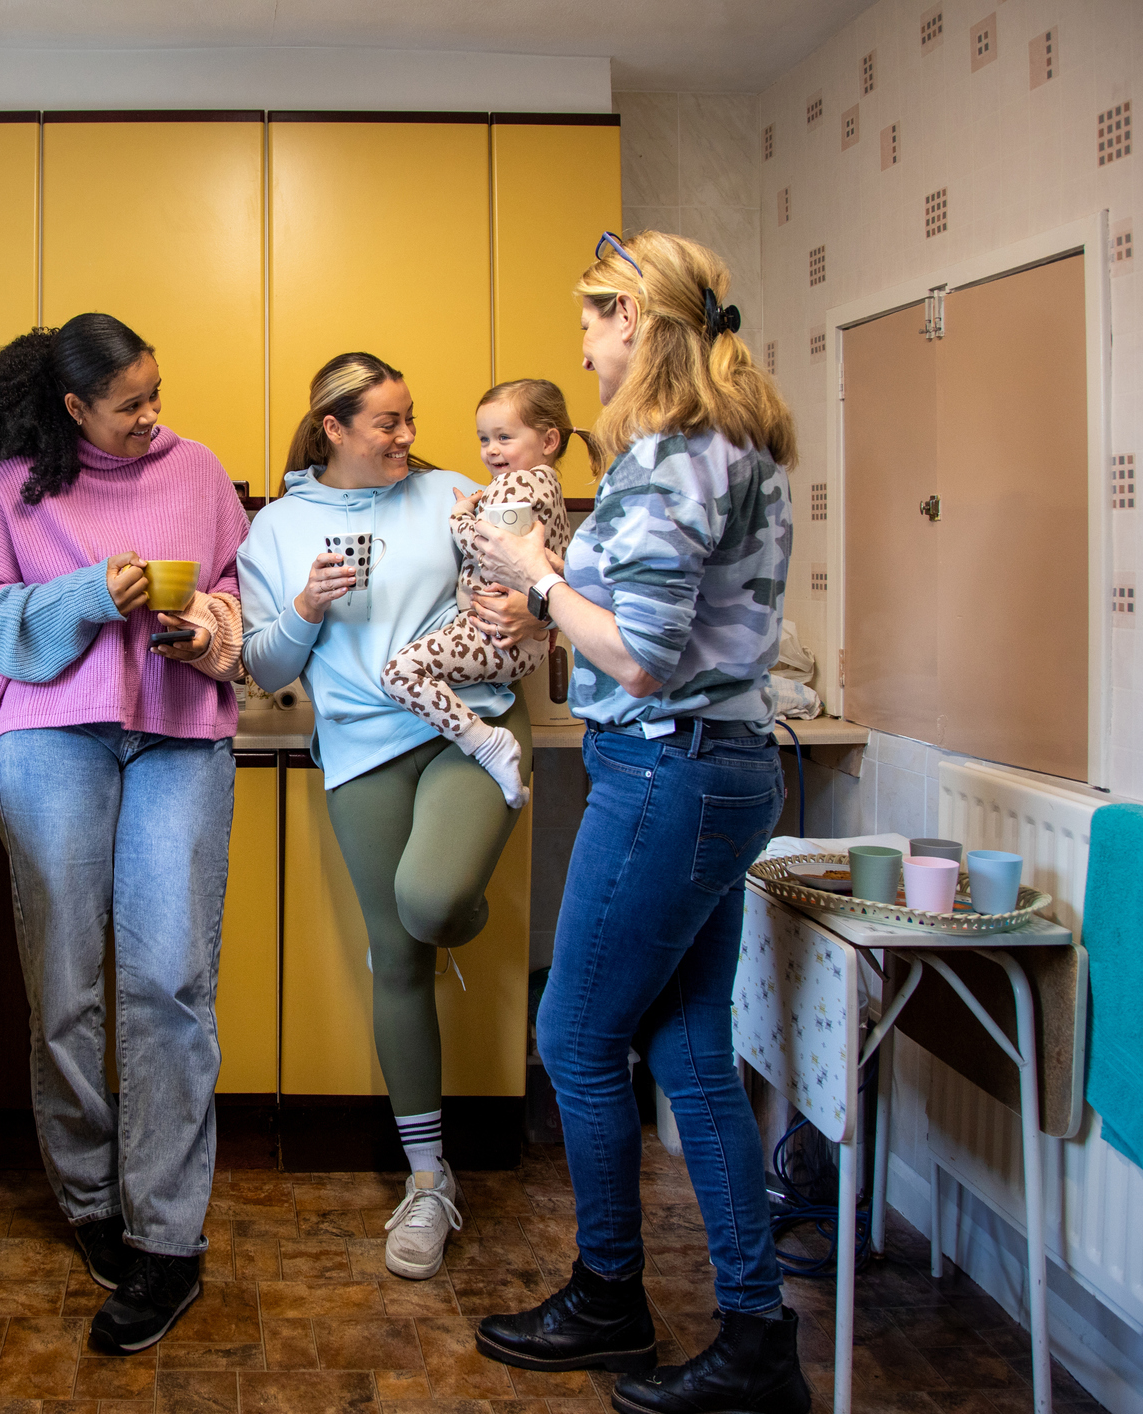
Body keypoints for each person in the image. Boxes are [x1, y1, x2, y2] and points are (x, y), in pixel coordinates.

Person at [466, 231, 809, 1414]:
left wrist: (540, 574)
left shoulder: (671, 457)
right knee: (685, 1050)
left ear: (638, 322)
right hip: (718, 771)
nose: (582, 341)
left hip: (668, 773)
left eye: (593, 316)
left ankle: (612, 1293)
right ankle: (758, 1340)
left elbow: (651, 661)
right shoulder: (730, 443)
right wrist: (554, 604)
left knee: (573, 1038)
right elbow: (664, 626)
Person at [0, 312, 250, 1355]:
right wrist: (89, 594)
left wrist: (207, 625)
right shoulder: (16, 484)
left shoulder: (202, 470)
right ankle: (91, 1198)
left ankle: (168, 1235)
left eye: (156, 392)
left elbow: (235, 596)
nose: (151, 416)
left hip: (177, 735)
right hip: (52, 740)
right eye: (130, 404)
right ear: (76, 407)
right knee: (67, 982)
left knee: (170, 982)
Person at [238, 351, 532, 1282]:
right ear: (334, 429)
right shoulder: (278, 528)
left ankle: (459, 911)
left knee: (432, 904)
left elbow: (528, 582)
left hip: (467, 725)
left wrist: (528, 610)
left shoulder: (450, 492)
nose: (408, 436)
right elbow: (269, 669)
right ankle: (427, 1179)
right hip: (360, 748)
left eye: (410, 417)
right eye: (387, 423)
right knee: (397, 957)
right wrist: (304, 608)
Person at [380, 380, 586, 804]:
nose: (491, 450)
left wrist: (458, 518)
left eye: (504, 437)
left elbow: (493, 549)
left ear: (549, 440)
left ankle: (487, 744)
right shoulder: (548, 485)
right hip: (521, 636)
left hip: (494, 634)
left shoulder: (517, 486)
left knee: (400, 673)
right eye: (484, 439)